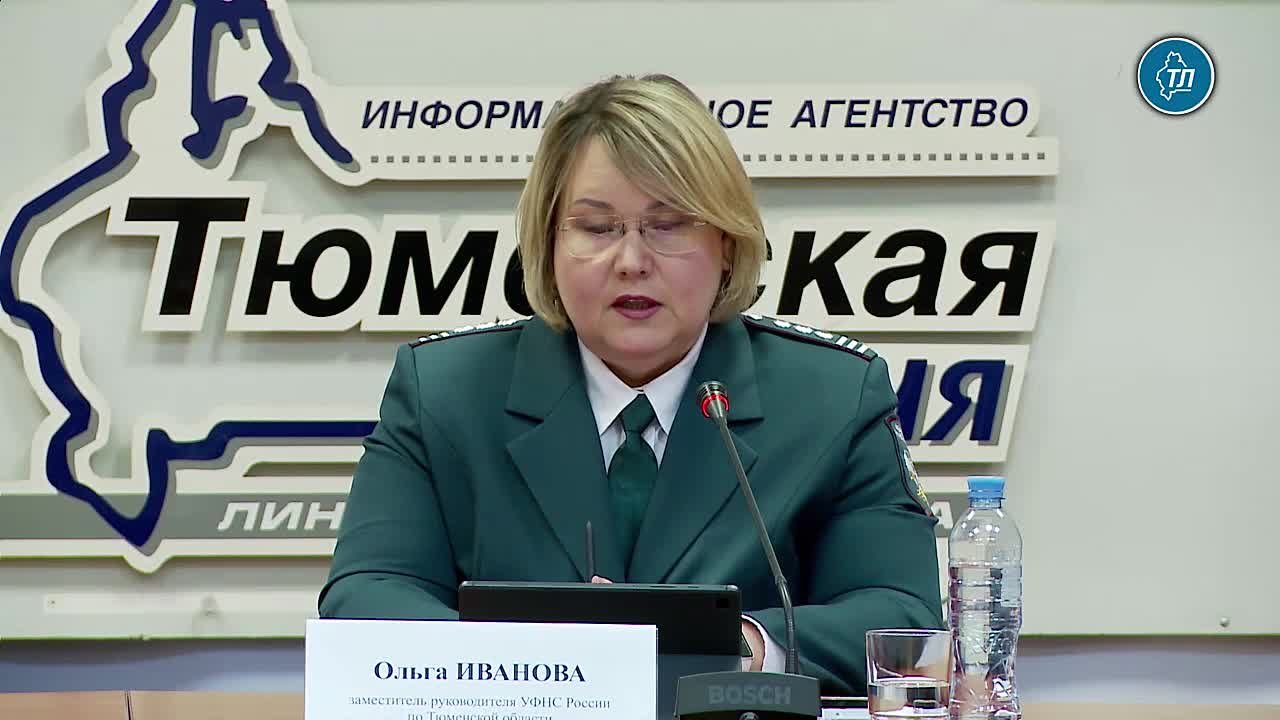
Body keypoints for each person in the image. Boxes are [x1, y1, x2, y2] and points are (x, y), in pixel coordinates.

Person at [318, 74, 943, 695]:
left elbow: (902, 617)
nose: (632, 261)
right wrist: (532, 663)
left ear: (726, 243)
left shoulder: (832, 397)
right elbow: (364, 596)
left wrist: (740, 645)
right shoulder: (445, 392)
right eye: (596, 228)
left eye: (668, 225)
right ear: (548, 243)